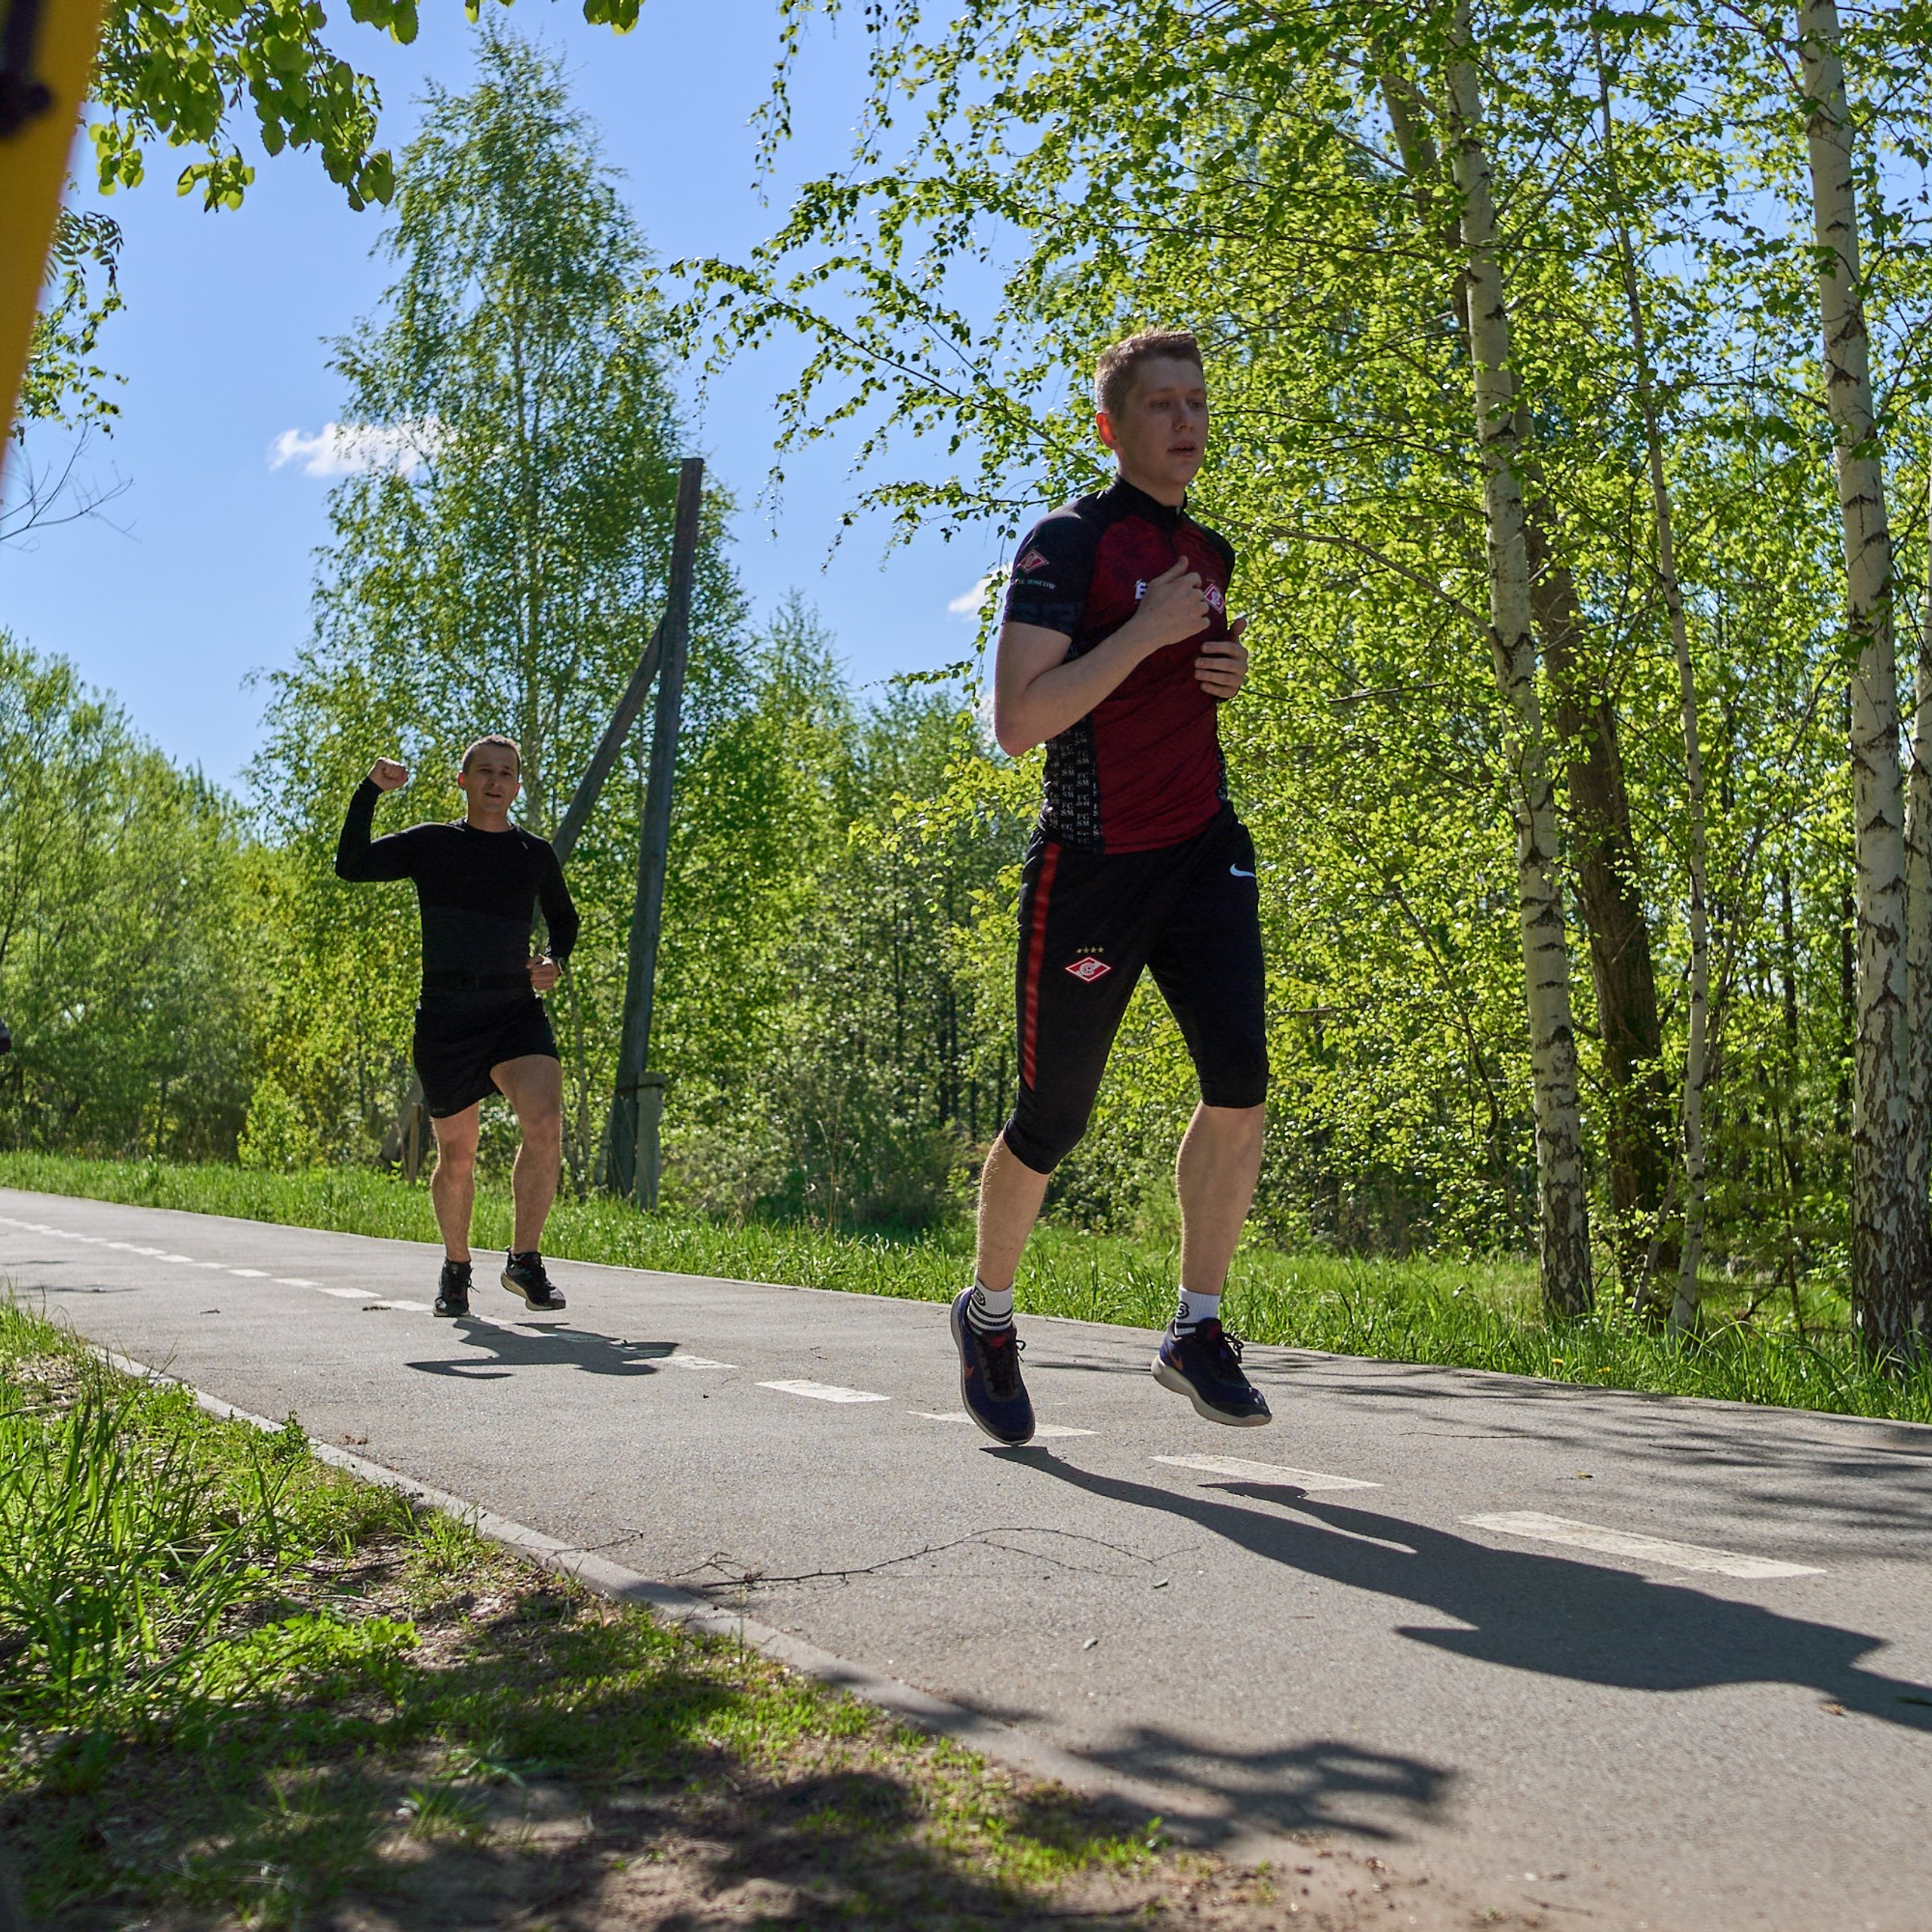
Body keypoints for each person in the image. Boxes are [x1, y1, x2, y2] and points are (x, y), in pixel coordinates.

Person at [951, 328, 1270, 1445]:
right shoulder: (1066, 543)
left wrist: (1218, 669)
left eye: (1197, 404)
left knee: (1242, 1087)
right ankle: (988, 1316)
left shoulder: (1212, 555)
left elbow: (1171, 688)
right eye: (1161, 406)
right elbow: (1019, 721)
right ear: (1112, 426)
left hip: (1203, 850)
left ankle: (1196, 1326)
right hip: (1092, 864)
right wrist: (1142, 632)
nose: (1185, 423)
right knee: (1054, 1117)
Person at [335, 736, 578, 1318]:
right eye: (485, 771)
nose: (496, 781)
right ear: (463, 780)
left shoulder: (534, 853)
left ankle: (525, 1261)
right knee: (458, 1154)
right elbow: (352, 865)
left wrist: (554, 961)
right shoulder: (432, 844)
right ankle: (456, 1267)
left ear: (518, 786)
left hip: (515, 1011)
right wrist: (369, 791)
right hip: (447, 1018)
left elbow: (565, 921)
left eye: (507, 773)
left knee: (545, 1122)